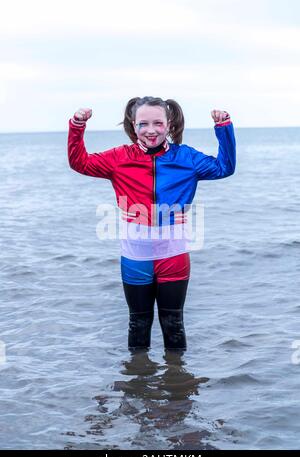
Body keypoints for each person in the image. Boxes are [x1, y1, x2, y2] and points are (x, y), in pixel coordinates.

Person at [67, 96, 236, 352]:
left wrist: (224, 129)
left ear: (169, 124)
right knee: (138, 322)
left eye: (158, 123)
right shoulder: (119, 158)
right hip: (136, 255)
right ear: (133, 125)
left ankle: (178, 386)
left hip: (174, 254)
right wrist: (77, 126)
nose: (151, 130)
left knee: (173, 323)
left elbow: (225, 167)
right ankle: (137, 384)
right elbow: (80, 163)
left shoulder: (186, 158)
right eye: (143, 124)